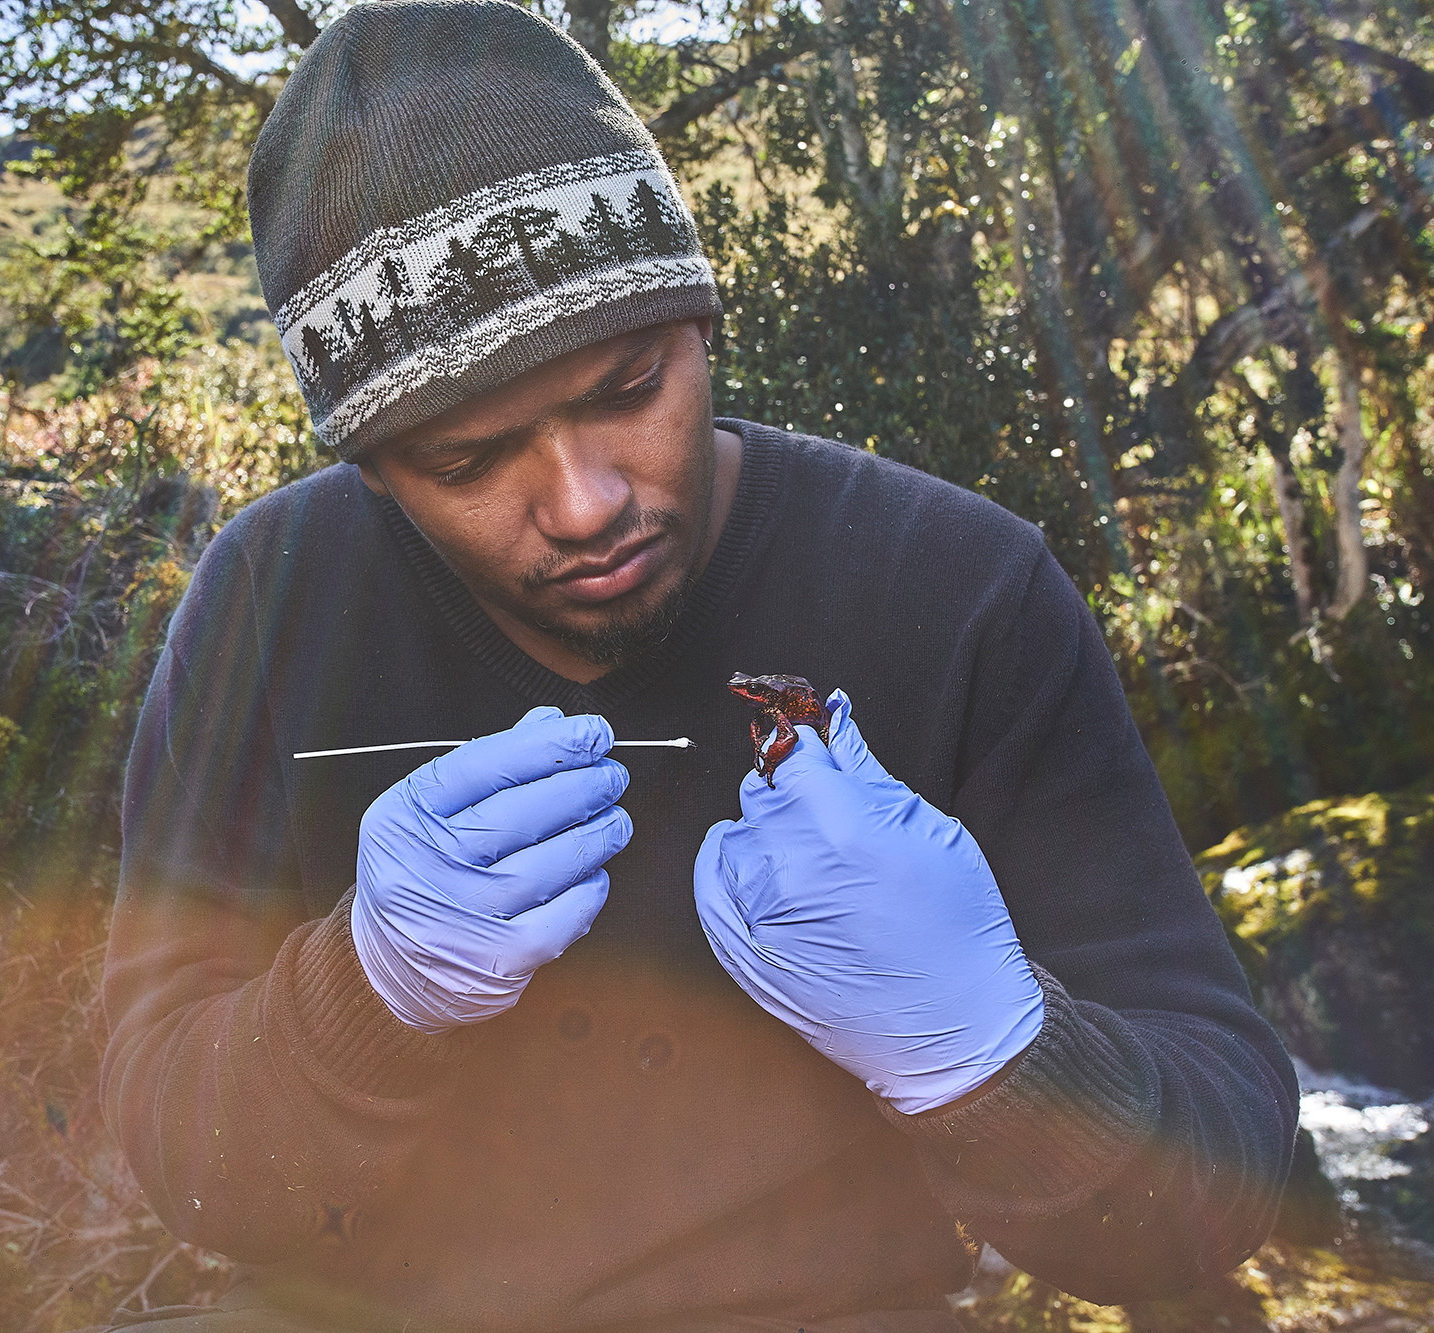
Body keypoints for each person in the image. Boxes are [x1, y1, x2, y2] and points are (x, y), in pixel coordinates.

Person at [99, 2, 1299, 1329]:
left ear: (701, 320)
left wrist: (990, 1050)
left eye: (628, 386)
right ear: (371, 469)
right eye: (466, 459)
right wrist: (364, 992)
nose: (584, 501)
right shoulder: (273, 601)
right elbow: (190, 1165)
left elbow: (1224, 1182)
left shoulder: (961, 592)